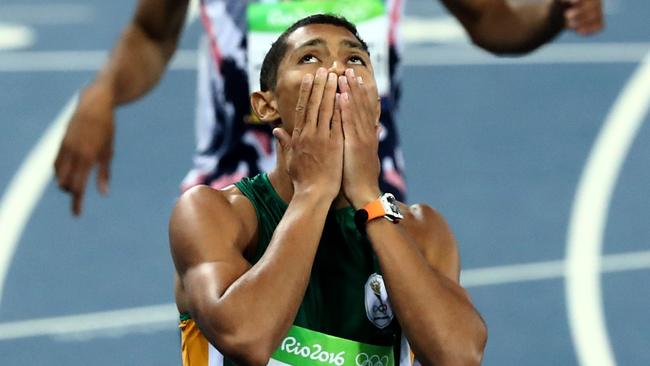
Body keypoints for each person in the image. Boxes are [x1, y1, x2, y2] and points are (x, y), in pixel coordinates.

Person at [54, 0, 603, 215]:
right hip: (236, 192)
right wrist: (102, 93)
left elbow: (491, 20)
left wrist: (556, 12)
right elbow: (151, 33)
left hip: (365, 196)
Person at [170, 14, 487, 365]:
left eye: (354, 60)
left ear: (376, 106)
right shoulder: (214, 214)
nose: (338, 71)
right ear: (266, 105)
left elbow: (459, 356)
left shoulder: (422, 230)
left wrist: (369, 199)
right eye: (310, 58)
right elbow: (246, 338)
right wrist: (313, 192)